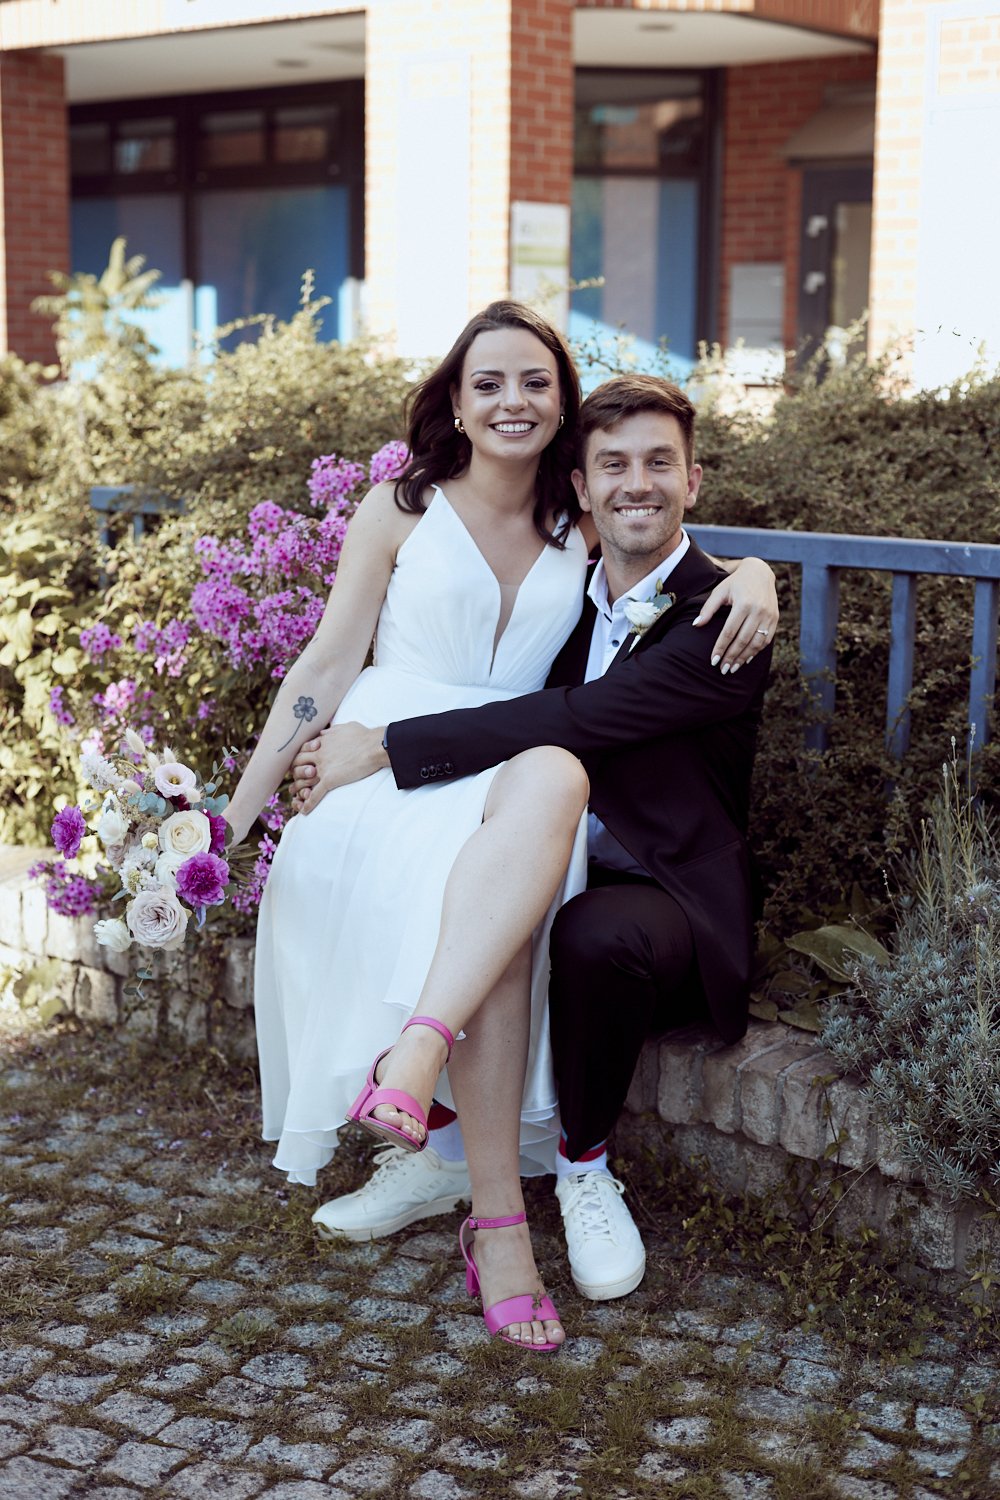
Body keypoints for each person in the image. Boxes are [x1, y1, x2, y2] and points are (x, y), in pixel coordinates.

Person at [291, 372, 774, 1306]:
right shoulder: (568, 595)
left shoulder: (724, 617)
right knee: (433, 863)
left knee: (593, 933)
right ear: (583, 489)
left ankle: (584, 1165)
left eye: (660, 463)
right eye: (614, 466)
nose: (638, 483)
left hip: (658, 892)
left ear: (693, 481)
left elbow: (576, 716)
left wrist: (384, 746)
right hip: (545, 848)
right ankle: (443, 1155)